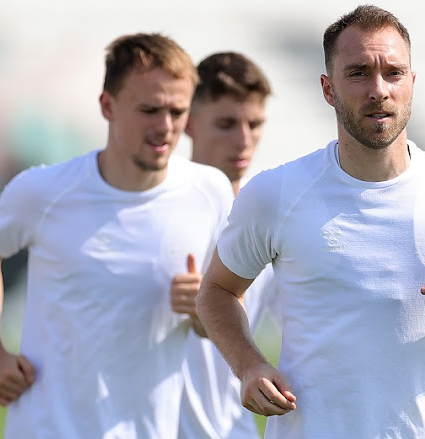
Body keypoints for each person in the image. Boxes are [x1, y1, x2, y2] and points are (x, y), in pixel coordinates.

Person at [196, 5, 425, 439]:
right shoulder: (276, 192)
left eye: (393, 72)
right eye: (357, 73)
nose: (378, 90)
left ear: (412, 82)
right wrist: (248, 364)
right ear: (328, 89)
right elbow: (217, 291)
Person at [0, 33, 235, 438]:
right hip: (47, 428)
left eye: (177, 112)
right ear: (107, 105)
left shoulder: (210, 191)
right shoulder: (43, 191)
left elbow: (224, 310)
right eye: (149, 109)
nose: (165, 127)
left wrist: (202, 309)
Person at [171, 51, 278, 439]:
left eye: (255, 123)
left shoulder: (270, 221)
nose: (244, 140)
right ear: (188, 122)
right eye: (227, 124)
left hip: (235, 429)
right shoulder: (155, 213)